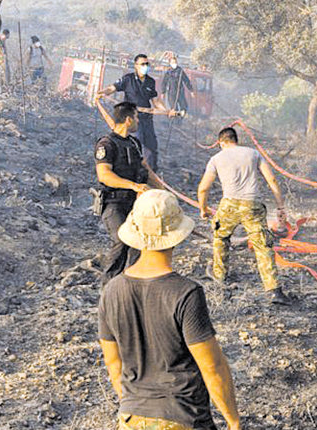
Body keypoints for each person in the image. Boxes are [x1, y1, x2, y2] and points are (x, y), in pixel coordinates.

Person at [99, 189, 241, 430]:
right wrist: (233, 421)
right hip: (183, 417)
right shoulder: (185, 293)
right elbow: (212, 368)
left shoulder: (111, 290)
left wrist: (136, 408)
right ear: (177, 236)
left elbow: (114, 364)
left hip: (131, 419)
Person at [197, 127, 292, 305]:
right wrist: (280, 206)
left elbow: (203, 187)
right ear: (236, 140)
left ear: (221, 142)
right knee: (263, 246)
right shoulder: (253, 153)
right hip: (252, 205)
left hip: (229, 205)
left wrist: (203, 209)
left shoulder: (216, 158)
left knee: (220, 237)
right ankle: (274, 291)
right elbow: (271, 179)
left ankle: (219, 276)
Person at [93, 100, 163, 283]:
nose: (139, 121)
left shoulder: (134, 143)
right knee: (122, 240)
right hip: (114, 204)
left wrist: (162, 191)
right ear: (128, 120)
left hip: (135, 204)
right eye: (136, 117)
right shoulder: (106, 144)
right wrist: (133, 185)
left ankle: (132, 284)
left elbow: (145, 170)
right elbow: (104, 175)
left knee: (139, 245)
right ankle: (108, 287)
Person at [97, 54, 178, 171]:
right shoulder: (128, 79)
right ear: (136, 66)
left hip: (147, 119)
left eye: (147, 64)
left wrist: (167, 111)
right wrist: (101, 93)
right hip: (132, 119)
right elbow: (112, 88)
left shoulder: (151, 82)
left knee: (152, 146)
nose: (145, 66)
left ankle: (152, 172)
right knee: (136, 143)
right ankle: (133, 171)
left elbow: (156, 101)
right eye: (142, 64)